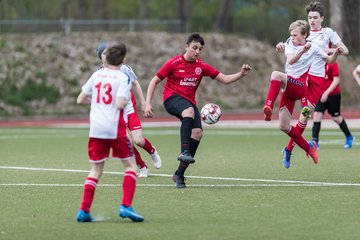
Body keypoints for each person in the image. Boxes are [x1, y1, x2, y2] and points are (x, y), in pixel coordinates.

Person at [144, 32, 252, 188]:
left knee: (197, 133)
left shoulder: (201, 66)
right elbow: (154, 81)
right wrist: (147, 103)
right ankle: (184, 152)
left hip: (189, 103)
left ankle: (179, 174)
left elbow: (225, 79)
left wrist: (241, 74)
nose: (197, 51)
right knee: (188, 111)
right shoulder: (174, 63)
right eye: (194, 48)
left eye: (200, 49)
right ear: (186, 46)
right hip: (172, 99)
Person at [274, 1, 349, 168]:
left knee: (305, 117)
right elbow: (291, 43)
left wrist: (331, 50)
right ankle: (292, 149)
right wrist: (281, 45)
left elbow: (345, 50)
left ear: (322, 18)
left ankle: (288, 149)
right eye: (310, 18)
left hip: (317, 81)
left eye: (315, 17)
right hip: (302, 79)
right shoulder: (304, 34)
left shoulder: (328, 32)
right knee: (303, 114)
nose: (312, 20)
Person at [76, 42, 144, 222]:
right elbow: (121, 103)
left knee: (95, 170)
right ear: (123, 60)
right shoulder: (122, 78)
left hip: (96, 129)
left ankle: (83, 210)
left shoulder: (96, 75)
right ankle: (126, 206)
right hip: (114, 128)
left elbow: (80, 99)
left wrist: (98, 103)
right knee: (131, 167)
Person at [96, 42, 162, 178]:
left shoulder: (123, 68)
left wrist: (144, 103)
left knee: (138, 140)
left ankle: (152, 151)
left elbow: (135, 83)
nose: (107, 55)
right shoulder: (99, 74)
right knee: (128, 143)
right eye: (103, 53)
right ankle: (142, 167)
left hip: (129, 110)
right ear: (100, 56)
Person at [312, 61, 355, 149]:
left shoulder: (332, 63)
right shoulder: (316, 61)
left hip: (333, 95)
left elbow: (336, 80)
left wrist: (326, 93)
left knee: (336, 118)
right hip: (320, 94)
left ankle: (349, 136)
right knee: (316, 115)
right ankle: (315, 142)